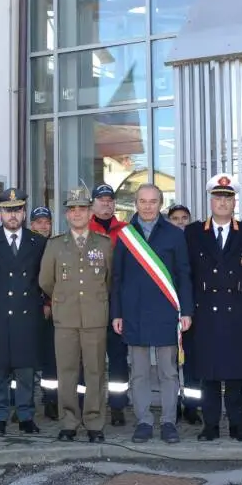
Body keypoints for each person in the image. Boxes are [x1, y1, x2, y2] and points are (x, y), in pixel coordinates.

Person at [111, 183, 194, 444]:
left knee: (168, 372)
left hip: (166, 313)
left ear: (161, 203)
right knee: (139, 373)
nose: (148, 206)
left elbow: (184, 276)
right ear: (135, 204)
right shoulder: (125, 236)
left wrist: (187, 311)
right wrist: (117, 313)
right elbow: (117, 278)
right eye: (143, 201)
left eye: (153, 201)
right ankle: (144, 421)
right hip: (134, 314)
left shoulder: (174, 234)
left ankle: (169, 422)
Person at [185, 175, 242, 442]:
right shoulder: (194, 232)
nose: (222, 202)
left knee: (236, 373)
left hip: (236, 308)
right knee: (209, 374)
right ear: (210, 200)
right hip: (205, 309)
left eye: (227, 198)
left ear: (234, 202)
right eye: (218, 197)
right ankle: (211, 426)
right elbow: (187, 273)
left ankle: (238, 427)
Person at [39, 187, 114, 443]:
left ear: (90, 212)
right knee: (67, 372)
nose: (77, 214)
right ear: (67, 215)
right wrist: (63, 300)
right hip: (66, 318)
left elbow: (110, 279)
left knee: (95, 372)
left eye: (82, 208)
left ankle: (94, 422)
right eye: (72, 209)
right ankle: (69, 422)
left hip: (95, 317)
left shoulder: (103, 244)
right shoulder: (55, 244)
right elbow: (46, 281)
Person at [0, 188, 46, 435]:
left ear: (24, 212)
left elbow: (44, 280)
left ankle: (26, 415)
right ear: (0, 214)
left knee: (26, 370)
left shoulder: (38, 242)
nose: (13, 215)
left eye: (17, 210)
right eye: (7, 211)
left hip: (26, 315)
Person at [89, 184, 130, 426]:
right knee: (89, 361)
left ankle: (117, 407)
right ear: (93, 204)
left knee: (118, 361)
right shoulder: (83, 230)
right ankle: (89, 406)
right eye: (101, 200)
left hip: (118, 307)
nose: (106, 204)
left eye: (109, 200)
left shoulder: (126, 231)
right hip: (91, 306)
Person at [167, 203, 201, 425]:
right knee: (169, 363)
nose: (180, 222)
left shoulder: (196, 243)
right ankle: (172, 405)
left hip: (190, 311)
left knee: (191, 363)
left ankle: (191, 407)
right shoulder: (165, 244)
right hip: (168, 310)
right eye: (175, 218)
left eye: (184, 218)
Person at [30, 205, 61, 420]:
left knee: (51, 359)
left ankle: (51, 400)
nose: (43, 225)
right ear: (31, 224)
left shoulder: (57, 246)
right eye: (39, 222)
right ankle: (21, 403)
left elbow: (57, 280)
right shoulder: (26, 245)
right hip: (29, 309)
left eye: (47, 222)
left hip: (52, 310)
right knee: (26, 358)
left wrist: (49, 302)